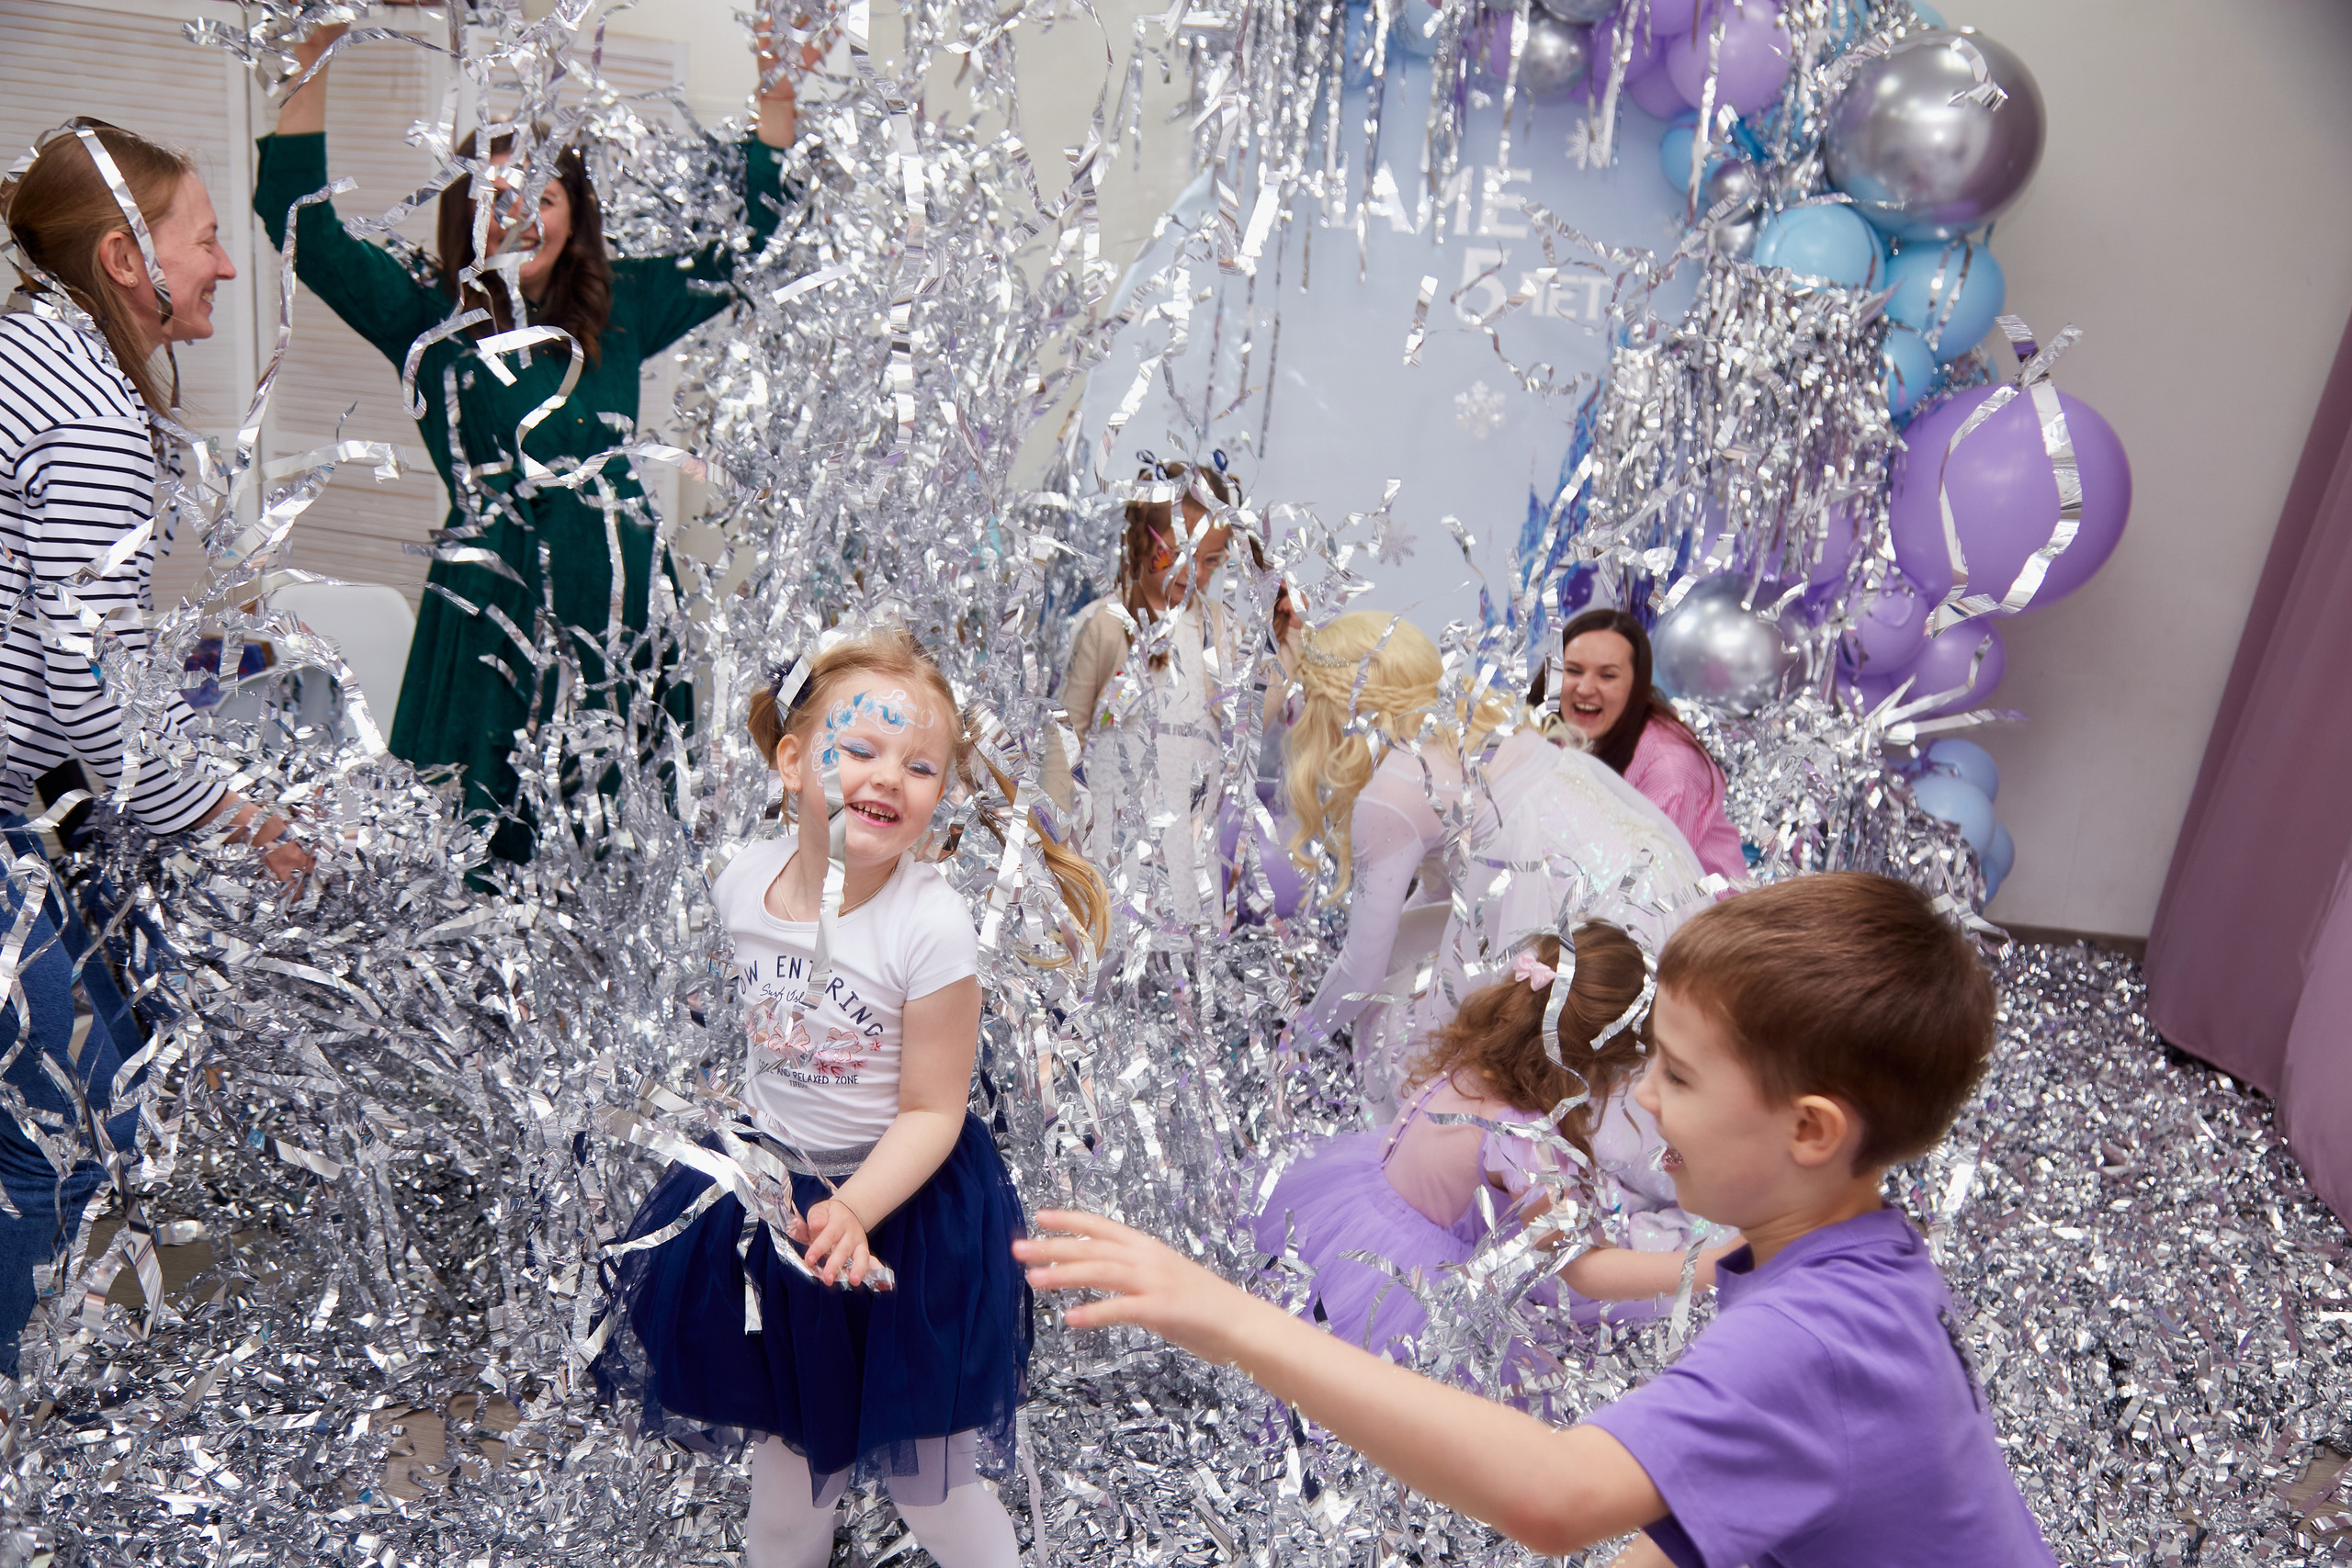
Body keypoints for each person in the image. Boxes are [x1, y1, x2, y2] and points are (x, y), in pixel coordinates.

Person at [1018, 872, 2056, 1568]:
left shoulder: (1813, 1337)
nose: (1645, 1099)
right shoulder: (1850, 1260)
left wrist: (1232, 1319)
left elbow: (1555, 1498)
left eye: (1679, 1076)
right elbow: (1693, 1515)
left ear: (1811, 1132)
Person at [594, 626, 1106, 1568]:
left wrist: (859, 1210)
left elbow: (931, 1112)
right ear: (792, 762)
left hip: (903, 1222)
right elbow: (756, 1031)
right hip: (781, 1213)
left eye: (919, 765)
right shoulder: (744, 882)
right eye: (859, 749)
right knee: (789, 1488)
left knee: (934, 1491)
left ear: (939, 795)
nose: (887, 778)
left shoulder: (929, 923)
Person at [254, 19, 808, 863]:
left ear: (572, 216)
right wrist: (314, 55)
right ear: (463, 214)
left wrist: (775, 88)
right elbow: (302, 227)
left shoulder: (622, 309)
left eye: (542, 195)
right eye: (494, 193)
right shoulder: (426, 316)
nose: (518, 210)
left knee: (615, 855)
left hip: (617, 615)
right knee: (479, 856)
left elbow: (753, 241)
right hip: (489, 622)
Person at [0, 120, 313, 1373]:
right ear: (128, 260)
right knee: (71, 1112)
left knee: (96, 1075)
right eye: (202, 236)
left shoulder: (44, 348)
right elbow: (90, 698)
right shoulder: (81, 410)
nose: (225, 266)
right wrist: (249, 819)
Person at [1255, 923, 1735, 1357]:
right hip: (1403, 1289)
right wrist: (1714, 1264)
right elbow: (1584, 1270)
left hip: (1355, 1219)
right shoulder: (1522, 1139)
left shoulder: (1475, 1062)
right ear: (1595, 1070)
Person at [1282, 613, 1489, 1100]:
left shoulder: (1394, 789)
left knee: (1387, 1017)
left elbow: (1362, 972)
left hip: (1531, 969)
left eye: (1313, 702)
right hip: (1589, 943)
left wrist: (1296, 1044)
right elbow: (1440, 898)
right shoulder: (1455, 744)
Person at [1042, 458, 1239, 927]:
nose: (1198, 573)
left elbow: (1245, 722)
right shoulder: (1108, 626)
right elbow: (1065, 734)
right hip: (1115, 849)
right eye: (1184, 555)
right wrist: (1051, 839)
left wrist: (1286, 649)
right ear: (1146, 542)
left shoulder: (1218, 628)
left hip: (1189, 855)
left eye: (1212, 560)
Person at [1536, 607, 1746, 886]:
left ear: (1636, 686)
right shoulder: (1557, 732)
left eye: (1607, 676)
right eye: (1573, 670)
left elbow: (1648, 888)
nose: (1585, 688)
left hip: (1692, 919)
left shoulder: (1671, 770)